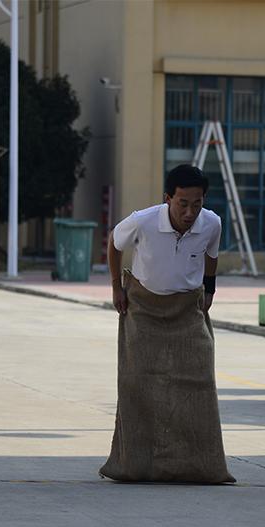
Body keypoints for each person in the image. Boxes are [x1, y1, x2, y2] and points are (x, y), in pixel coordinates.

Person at [99, 164, 235, 484]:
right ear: (168, 198)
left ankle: (199, 463)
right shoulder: (143, 221)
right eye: (183, 203)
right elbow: (114, 244)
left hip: (187, 307)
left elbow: (212, 255)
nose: (190, 212)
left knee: (198, 380)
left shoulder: (211, 223)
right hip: (144, 306)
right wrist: (116, 286)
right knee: (138, 382)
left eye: (197, 204)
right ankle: (135, 462)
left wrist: (210, 287)